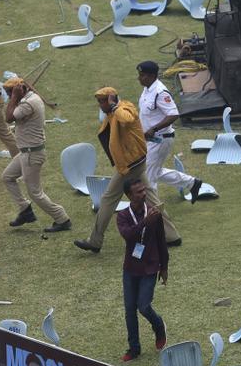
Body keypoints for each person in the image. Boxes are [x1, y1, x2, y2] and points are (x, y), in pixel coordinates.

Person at [75, 87, 181, 253]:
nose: (100, 105)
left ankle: (95, 241)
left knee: (108, 199)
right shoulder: (112, 113)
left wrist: (113, 105)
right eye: (99, 101)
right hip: (134, 162)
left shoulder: (124, 108)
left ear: (112, 99)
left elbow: (126, 118)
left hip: (130, 164)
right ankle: (172, 236)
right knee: (151, 198)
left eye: (102, 101)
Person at [2, 77, 72, 232]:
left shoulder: (27, 104)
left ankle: (62, 218)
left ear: (19, 91)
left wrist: (14, 97)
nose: (8, 97)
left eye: (9, 93)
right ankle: (25, 209)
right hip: (26, 152)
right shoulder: (33, 96)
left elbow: (8, 118)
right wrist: (16, 93)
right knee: (7, 177)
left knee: (35, 193)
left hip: (31, 154)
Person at [116, 178, 169, 362]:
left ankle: (159, 326)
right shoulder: (122, 216)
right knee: (130, 309)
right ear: (129, 195)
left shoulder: (154, 213)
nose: (144, 193)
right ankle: (134, 348)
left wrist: (165, 267)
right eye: (139, 192)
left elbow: (162, 241)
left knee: (144, 306)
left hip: (150, 267)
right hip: (130, 269)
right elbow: (129, 236)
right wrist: (145, 222)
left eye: (144, 190)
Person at [136, 61, 203, 201]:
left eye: (142, 75)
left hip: (160, 139)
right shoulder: (147, 89)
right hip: (149, 140)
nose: (139, 78)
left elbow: (173, 114)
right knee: (154, 171)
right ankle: (192, 183)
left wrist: (154, 129)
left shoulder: (160, 92)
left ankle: (152, 210)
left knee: (148, 178)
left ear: (152, 76)